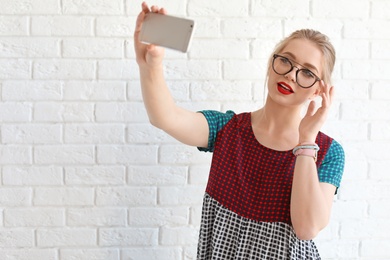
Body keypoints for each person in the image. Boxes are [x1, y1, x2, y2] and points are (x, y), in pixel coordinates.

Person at [134, 2, 345, 259]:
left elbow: (306, 228)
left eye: (307, 73)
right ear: (271, 65)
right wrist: (150, 65)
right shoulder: (228, 130)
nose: (291, 75)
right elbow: (166, 117)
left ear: (318, 90)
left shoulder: (328, 153)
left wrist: (306, 141)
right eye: (286, 61)